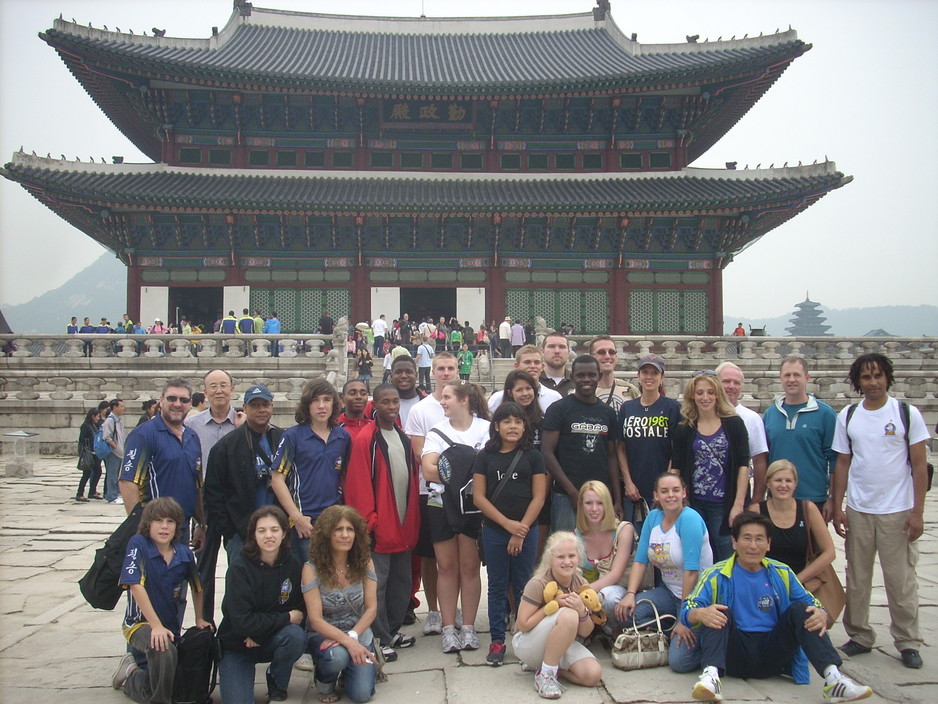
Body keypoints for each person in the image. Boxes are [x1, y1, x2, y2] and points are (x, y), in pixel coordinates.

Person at [678, 512, 872, 704]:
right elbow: (689, 607)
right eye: (746, 538)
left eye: (759, 539)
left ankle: (834, 680)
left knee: (804, 610)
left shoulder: (782, 572)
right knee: (717, 612)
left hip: (772, 650)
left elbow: (813, 602)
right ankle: (711, 678)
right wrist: (700, 613)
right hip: (733, 652)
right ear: (734, 543)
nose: (753, 546)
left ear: (769, 544)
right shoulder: (716, 574)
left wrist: (821, 613)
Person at [832, 353, 929, 669]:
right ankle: (860, 634)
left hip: (897, 510)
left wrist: (917, 512)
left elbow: (918, 465)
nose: (872, 382)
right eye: (866, 377)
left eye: (877, 376)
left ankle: (908, 641)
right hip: (860, 508)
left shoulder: (905, 413)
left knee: (900, 579)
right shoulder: (848, 416)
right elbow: (842, 464)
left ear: (887, 377)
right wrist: (838, 506)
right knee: (858, 577)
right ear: (857, 381)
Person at [345, 384, 421, 661]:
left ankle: (391, 630)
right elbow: (358, 485)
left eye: (394, 402)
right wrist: (369, 523)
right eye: (385, 402)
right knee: (378, 584)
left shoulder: (402, 437)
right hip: (380, 528)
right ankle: (378, 637)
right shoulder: (366, 439)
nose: (391, 407)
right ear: (374, 404)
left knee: (402, 584)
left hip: (403, 526)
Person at [110, 497, 211, 703]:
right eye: (158, 521)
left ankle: (131, 674)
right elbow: (135, 585)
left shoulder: (183, 554)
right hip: (139, 624)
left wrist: (200, 618)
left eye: (170, 522)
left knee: (169, 678)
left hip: (170, 626)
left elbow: (197, 587)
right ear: (148, 524)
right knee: (163, 650)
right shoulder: (138, 544)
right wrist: (155, 625)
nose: (164, 527)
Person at [472, 402, 548, 666]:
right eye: (507, 421)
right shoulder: (485, 456)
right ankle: (496, 640)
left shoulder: (533, 456)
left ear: (525, 426)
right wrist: (507, 525)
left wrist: (520, 530)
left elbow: (539, 497)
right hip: (495, 530)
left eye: (518, 421)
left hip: (527, 530)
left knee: (525, 585)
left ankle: (527, 638)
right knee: (497, 585)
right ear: (496, 426)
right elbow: (479, 498)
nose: (513, 426)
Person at [421, 381, 490, 653]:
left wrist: (451, 472)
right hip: (441, 505)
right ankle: (449, 628)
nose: (442, 402)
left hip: (474, 507)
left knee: (471, 567)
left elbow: (489, 465)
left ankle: (470, 626)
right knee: (447, 567)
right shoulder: (436, 431)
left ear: (464, 400)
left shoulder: (485, 429)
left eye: (448, 397)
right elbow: (428, 469)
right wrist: (467, 474)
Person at [616, 473, 712, 665]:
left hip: (695, 599)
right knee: (625, 613)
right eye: (665, 491)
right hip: (669, 593)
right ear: (656, 496)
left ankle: (703, 638)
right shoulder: (653, 518)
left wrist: (684, 618)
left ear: (684, 493)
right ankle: (669, 629)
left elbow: (692, 572)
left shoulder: (689, 519)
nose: (671, 495)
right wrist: (630, 593)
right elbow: (641, 560)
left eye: (676, 490)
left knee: (679, 663)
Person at [217, 506, 306, 704]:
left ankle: (276, 679)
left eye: (274, 530)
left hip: (269, 639)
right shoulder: (239, 568)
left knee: (295, 636)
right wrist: (285, 618)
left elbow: (300, 612)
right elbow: (241, 621)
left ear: (284, 533)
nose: (269, 536)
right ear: (253, 535)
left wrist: (258, 630)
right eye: (262, 530)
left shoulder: (293, 565)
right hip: (237, 644)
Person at [403, 353, 459, 635]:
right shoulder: (421, 410)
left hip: (462, 494)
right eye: (441, 368)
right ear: (432, 372)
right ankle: (434, 610)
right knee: (429, 555)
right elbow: (418, 453)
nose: (446, 373)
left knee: (460, 555)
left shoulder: (467, 405)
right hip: (430, 492)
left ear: (458, 370)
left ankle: (455, 606)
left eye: (450, 368)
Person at [512, 531, 602, 699]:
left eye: (571, 556)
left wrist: (582, 610)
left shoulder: (581, 583)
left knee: (593, 675)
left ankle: (546, 668)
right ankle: (546, 676)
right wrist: (552, 607)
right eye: (561, 557)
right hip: (528, 643)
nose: (567, 562)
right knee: (568, 615)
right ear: (550, 559)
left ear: (579, 557)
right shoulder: (538, 583)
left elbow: (585, 632)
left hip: (560, 643)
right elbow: (522, 624)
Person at [302, 505, 378, 704]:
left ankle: (350, 672)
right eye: (338, 530)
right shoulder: (311, 569)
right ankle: (324, 682)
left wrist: (353, 637)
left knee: (362, 695)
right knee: (338, 657)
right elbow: (316, 620)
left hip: (358, 633)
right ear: (327, 534)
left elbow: (371, 609)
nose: (345, 535)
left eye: (350, 530)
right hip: (326, 637)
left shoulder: (365, 562)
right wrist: (346, 642)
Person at [671, 373, 750, 561]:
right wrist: (675, 500)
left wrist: (738, 504)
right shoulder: (685, 428)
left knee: (726, 554)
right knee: (694, 554)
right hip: (693, 502)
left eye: (710, 392)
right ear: (692, 396)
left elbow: (743, 466)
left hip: (723, 504)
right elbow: (677, 467)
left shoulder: (734, 424)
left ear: (717, 395)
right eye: (699, 393)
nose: (705, 397)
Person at [120, 378, 205, 552]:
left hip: (182, 527)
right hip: (155, 528)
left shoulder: (192, 437)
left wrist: (201, 524)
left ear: (190, 403)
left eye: (183, 400)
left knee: (179, 578)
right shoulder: (144, 435)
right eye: (171, 398)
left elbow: (196, 486)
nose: (177, 404)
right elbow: (128, 482)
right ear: (161, 400)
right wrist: (140, 528)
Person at [271, 378, 351, 564]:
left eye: (326, 399)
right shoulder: (293, 436)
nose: (321, 406)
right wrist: (296, 517)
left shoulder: (343, 436)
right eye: (315, 400)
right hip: (305, 521)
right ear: (307, 405)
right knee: (308, 579)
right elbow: (277, 479)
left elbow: (346, 477)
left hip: (334, 519)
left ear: (335, 403)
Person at [186, 369, 244, 620]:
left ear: (232, 389)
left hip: (236, 502)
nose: (219, 390)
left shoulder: (244, 422)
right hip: (204, 502)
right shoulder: (191, 426)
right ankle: (204, 623)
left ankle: (236, 624)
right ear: (205, 391)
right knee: (203, 568)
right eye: (213, 386)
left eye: (223, 385)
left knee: (239, 567)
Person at [541, 355, 621, 533]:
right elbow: (547, 452)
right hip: (565, 496)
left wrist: (616, 499)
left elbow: (612, 456)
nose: (586, 380)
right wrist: (572, 492)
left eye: (591, 375)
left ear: (599, 376)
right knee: (566, 552)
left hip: (600, 496)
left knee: (599, 553)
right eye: (580, 375)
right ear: (572, 378)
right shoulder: (559, 409)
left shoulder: (607, 413)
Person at [204, 384, 284, 561]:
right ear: (245, 408)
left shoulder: (284, 439)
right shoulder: (226, 446)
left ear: (272, 406)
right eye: (255, 405)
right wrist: (230, 530)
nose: (261, 410)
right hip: (242, 533)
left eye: (265, 404)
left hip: (279, 529)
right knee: (242, 585)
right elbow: (213, 492)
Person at [763, 356, 837, 514]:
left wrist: (833, 498)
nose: (791, 380)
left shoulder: (825, 414)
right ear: (780, 378)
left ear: (807, 378)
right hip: (776, 498)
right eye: (787, 375)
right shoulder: (771, 414)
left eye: (797, 375)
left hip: (813, 498)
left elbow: (834, 459)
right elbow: (764, 458)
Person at [616, 354, 682, 525]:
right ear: (638, 375)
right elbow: (620, 447)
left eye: (654, 373)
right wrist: (628, 482)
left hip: (662, 488)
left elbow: (677, 450)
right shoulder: (628, 408)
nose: (649, 377)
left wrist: (665, 487)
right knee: (636, 539)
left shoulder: (672, 408)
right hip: (634, 489)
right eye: (645, 372)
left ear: (662, 377)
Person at [750, 459, 835, 583]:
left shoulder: (808, 509)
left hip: (801, 581)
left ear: (795, 484)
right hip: (765, 582)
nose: (783, 485)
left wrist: (796, 581)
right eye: (778, 480)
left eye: (788, 481)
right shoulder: (756, 511)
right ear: (768, 483)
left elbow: (829, 552)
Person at [574, 480, 635, 629]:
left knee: (608, 597)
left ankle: (613, 629)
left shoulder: (623, 530)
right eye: (589, 503)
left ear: (607, 504)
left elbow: (616, 574)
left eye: (600, 503)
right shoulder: (575, 536)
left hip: (618, 589)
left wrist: (584, 592)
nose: (594, 509)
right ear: (581, 505)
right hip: (587, 592)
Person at [715, 362, 769, 502]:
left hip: (738, 494)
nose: (731, 386)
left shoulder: (752, 418)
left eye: (736, 383)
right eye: (726, 381)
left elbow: (759, 462)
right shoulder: (702, 415)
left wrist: (757, 500)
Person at [486, 345, 562, 413]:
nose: (532, 366)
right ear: (516, 366)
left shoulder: (554, 398)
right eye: (527, 362)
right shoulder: (498, 398)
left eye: (536, 362)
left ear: (542, 367)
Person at [588, 335, 638, 413]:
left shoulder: (631, 391)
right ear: (591, 358)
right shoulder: (581, 392)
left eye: (611, 352)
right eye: (601, 352)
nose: (607, 356)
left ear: (616, 357)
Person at [101, 398, 127, 504]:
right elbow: (106, 437)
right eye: (121, 406)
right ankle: (111, 496)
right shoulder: (110, 420)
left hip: (120, 452)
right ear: (115, 407)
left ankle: (115, 494)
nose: (123, 408)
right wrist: (115, 447)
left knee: (116, 475)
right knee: (112, 475)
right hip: (113, 452)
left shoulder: (117, 420)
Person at [76, 407, 103, 501]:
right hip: (88, 453)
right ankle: (80, 493)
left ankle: (92, 491)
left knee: (98, 471)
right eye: (97, 416)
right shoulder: (86, 426)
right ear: (93, 416)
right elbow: (82, 439)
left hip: (95, 452)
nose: (98, 418)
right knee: (87, 473)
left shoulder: (94, 425)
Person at [539, 331, 574, 396]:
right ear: (542, 352)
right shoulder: (533, 381)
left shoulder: (577, 382)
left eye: (562, 347)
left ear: (568, 352)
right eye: (551, 346)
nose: (557, 351)